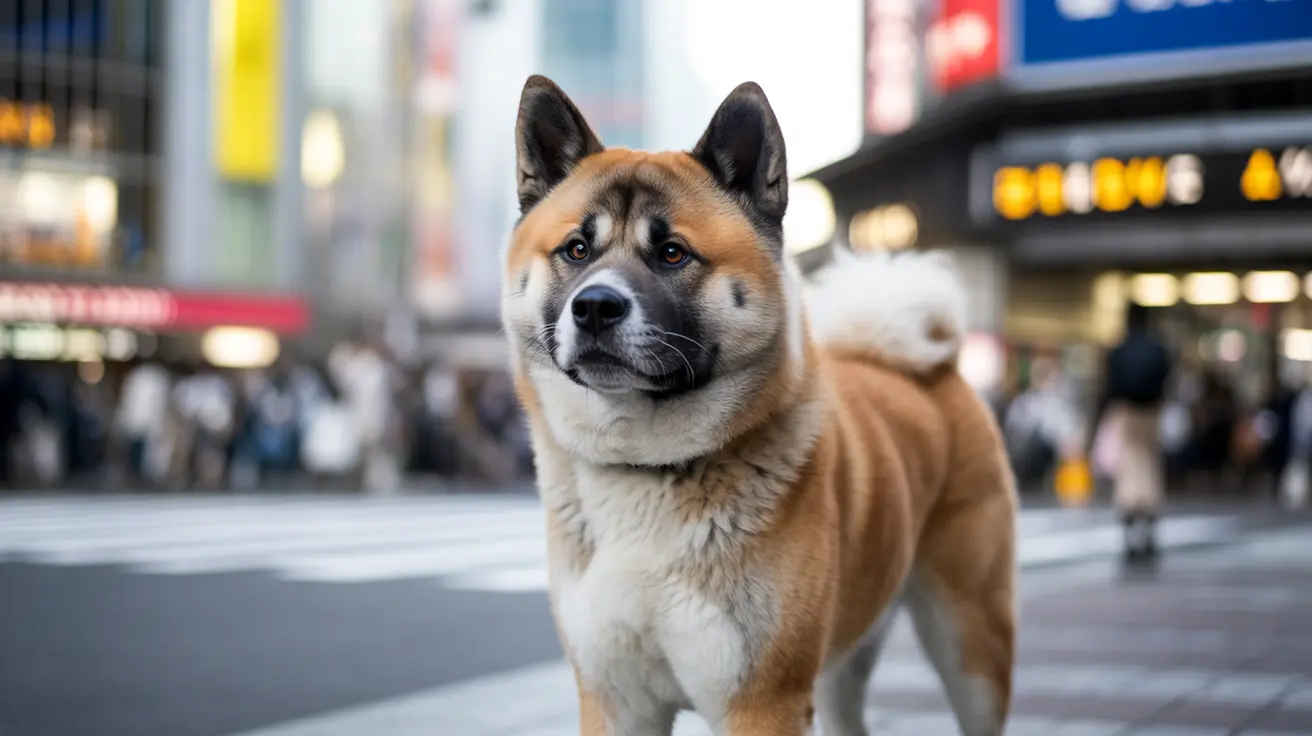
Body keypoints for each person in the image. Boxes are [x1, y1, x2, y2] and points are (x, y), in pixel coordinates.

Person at [1091, 303, 1172, 561]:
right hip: (1151, 412)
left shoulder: (1119, 350)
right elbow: (1167, 380)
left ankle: (1129, 528)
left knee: (1128, 467)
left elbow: (1109, 385)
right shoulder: (1157, 348)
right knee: (1149, 466)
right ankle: (1148, 527)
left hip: (1125, 411)